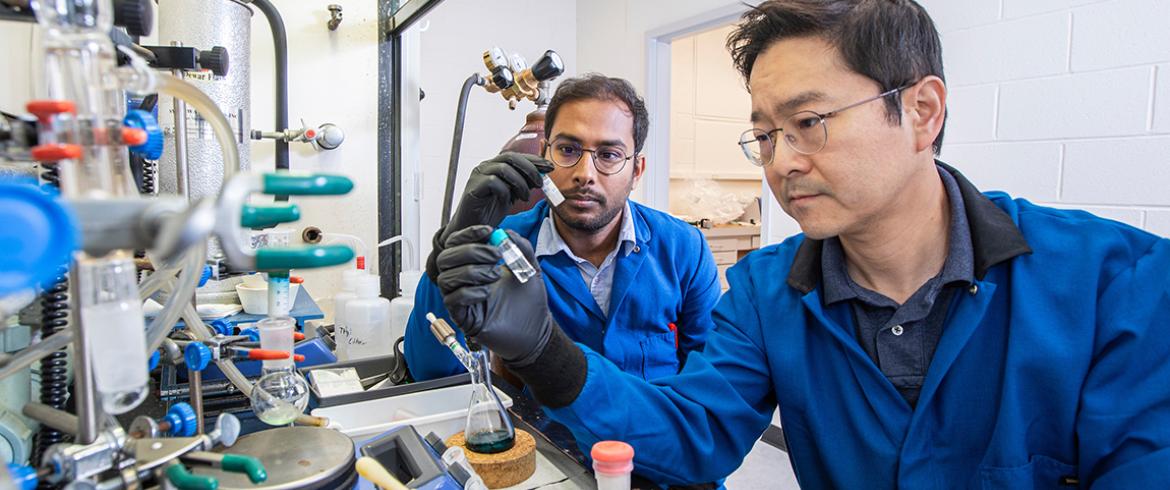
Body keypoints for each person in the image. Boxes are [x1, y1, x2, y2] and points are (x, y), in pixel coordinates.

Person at [429, 0, 1170, 487]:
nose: (780, 161)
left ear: (921, 111)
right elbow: (694, 431)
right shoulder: (766, 295)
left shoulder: (1117, 285)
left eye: (808, 123)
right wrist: (545, 354)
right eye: (764, 134)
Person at [404, 74, 720, 384]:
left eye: (609, 155)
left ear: (636, 170)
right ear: (544, 154)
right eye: (568, 150)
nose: (585, 174)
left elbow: (710, 380)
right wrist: (456, 240)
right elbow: (430, 373)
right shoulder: (503, 243)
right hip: (535, 422)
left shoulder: (683, 248)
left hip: (651, 421)